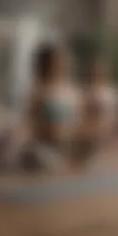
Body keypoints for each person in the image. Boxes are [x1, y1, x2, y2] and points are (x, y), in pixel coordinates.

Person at [19, 43, 82, 171]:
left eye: (60, 61)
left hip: (69, 145)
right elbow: (33, 125)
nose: (58, 66)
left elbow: (78, 121)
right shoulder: (37, 92)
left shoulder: (70, 91)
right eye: (53, 62)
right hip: (46, 147)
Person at [76, 57, 118, 162]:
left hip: (109, 132)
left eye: (101, 71)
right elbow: (82, 116)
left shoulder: (111, 93)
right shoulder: (84, 92)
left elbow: (116, 115)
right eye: (95, 72)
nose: (98, 74)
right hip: (90, 134)